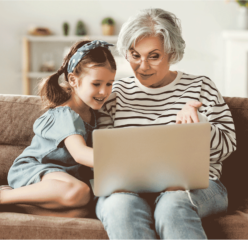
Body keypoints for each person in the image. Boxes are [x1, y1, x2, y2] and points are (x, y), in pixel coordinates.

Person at [95, 8, 237, 239]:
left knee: (172, 206)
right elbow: (104, 158)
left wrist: (199, 124)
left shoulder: (201, 87)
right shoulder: (115, 93)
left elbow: (228, 147)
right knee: (119, 207)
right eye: (135, 55)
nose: (142, 66)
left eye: (154, 56)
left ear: (171, 53)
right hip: (128, 191)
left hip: (196, 188)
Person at [0, 40, 117, 217]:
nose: (104, 92)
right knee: (80, 191)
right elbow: (80, 153)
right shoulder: (65, 114)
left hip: (62, 181)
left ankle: (14, 204)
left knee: (83, 211)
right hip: (34, 170)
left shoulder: (97, 115)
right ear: (73, 80)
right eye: (96, 84)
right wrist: (121, 162)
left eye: (109, 84)